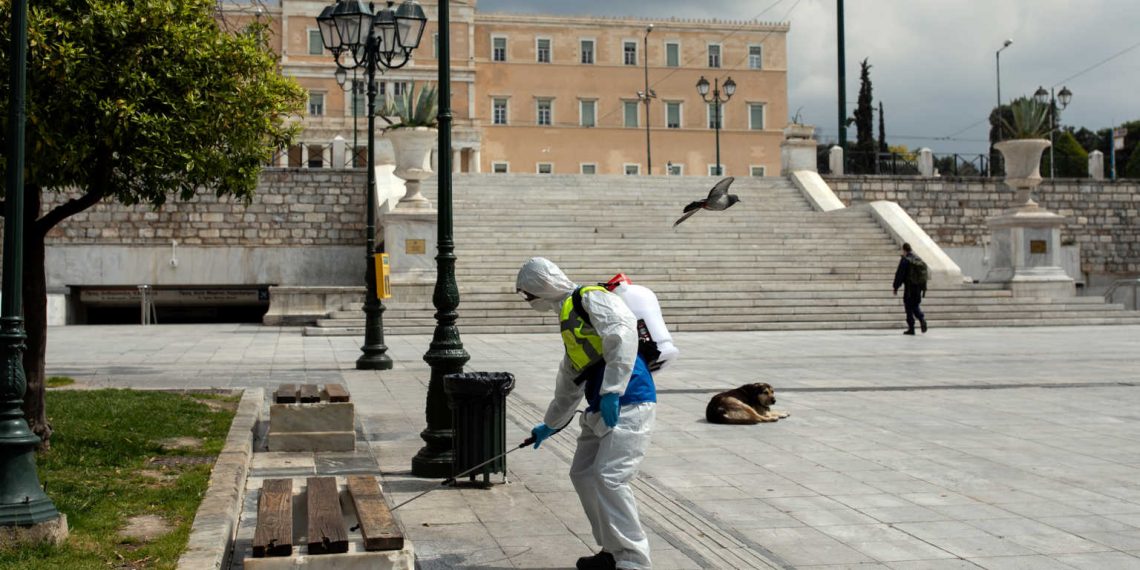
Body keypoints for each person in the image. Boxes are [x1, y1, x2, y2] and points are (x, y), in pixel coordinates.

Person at [516, 257, 656, 570]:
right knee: (583, 473)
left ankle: (634, 559)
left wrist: (612, 391)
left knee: (610, 477)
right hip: (601, 405)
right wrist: (550, 424)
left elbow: (622, 336)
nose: (528, 301)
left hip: (629, 398)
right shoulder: (568, 315)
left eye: (528, 294)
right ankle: (612, 549)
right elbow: (570, 377)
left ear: (542, 286)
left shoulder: (592, 297)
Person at [892, 242, 928, 335]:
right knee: (915, 305)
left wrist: (895, 287)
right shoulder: (917, 259)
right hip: (918, 288)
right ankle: (921, 318)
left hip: (909, 288)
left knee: (908, 307)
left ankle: (911, 328)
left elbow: (900, 274)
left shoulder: (905, 260)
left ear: (904, 250)